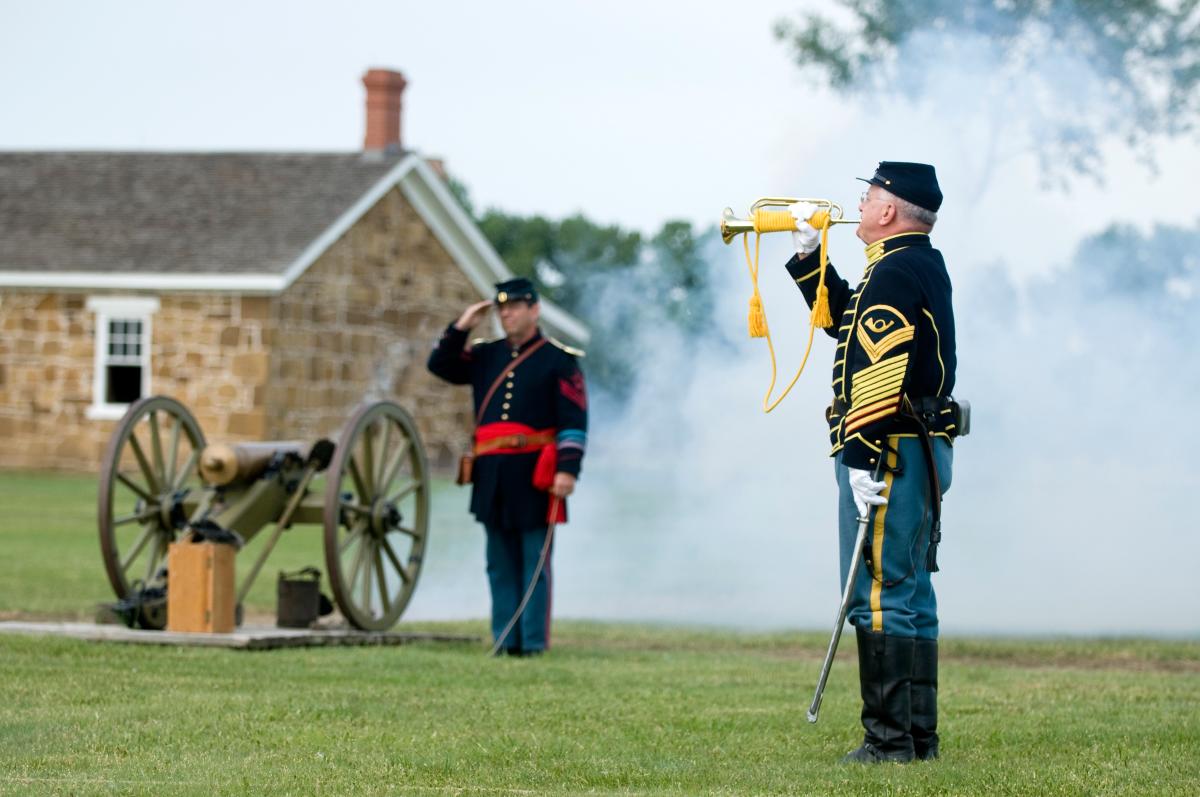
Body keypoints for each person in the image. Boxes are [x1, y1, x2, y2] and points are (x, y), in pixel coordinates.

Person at [786, 162, 959, 763]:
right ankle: (917, 738)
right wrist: (809, 255)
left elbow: (877, 369)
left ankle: (888, 743)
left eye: (867, 198)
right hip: (914, 443)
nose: (858, 206)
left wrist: (860, 458)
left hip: (888, 445)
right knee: (909, 590)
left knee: (879, 591)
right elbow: (844, 323)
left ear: (889, 211)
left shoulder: (896, 270)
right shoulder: (909, 264)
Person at [427, 277, 587, 657]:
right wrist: (462, 325)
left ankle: (531, 643)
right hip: (493, 475)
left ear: (534, 309)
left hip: (536, 474)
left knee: (534, 562)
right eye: (501, 309)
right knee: (498, 563)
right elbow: (440, 364)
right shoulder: (485, 355)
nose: (506, 314)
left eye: (514, 307)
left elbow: (574, 419)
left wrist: (568, 470)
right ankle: (505, 639)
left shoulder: (559, 359)